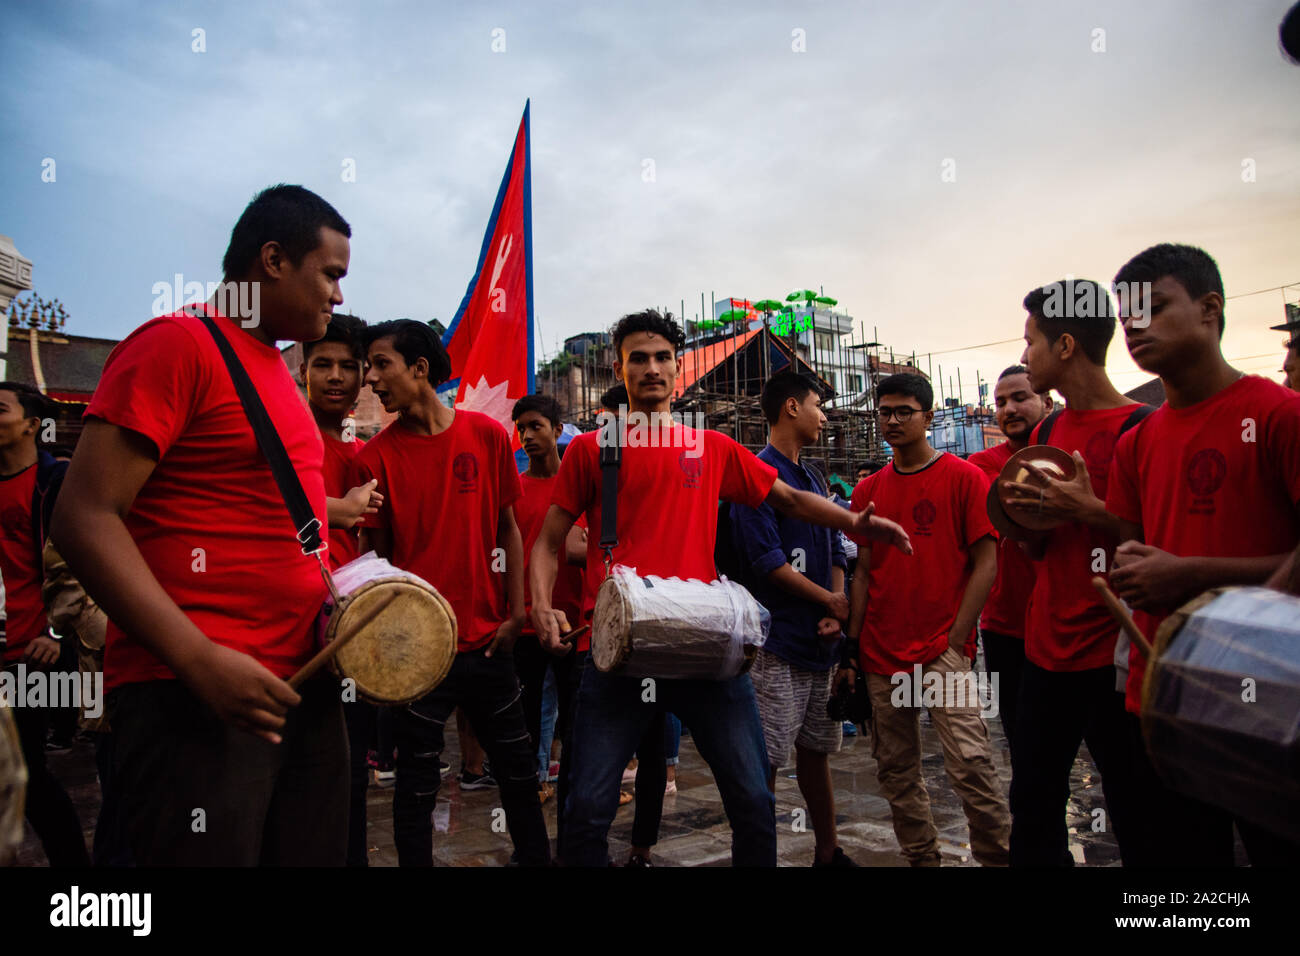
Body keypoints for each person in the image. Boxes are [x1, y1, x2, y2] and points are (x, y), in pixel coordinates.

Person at [529, 309, 911, 867]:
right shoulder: (593, 450)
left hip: (704, 644)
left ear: (679, 368)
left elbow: (786, 498)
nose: (652, 368)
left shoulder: (712, 448)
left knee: (753, 798)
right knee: (587, 806)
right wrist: (540, 605)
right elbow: (547, 541)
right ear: (621, 368)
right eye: (639, 358)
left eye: (663, 357)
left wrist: (851, 523)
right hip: (614, 650)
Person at [53, 184, 353, 865]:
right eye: (330, 273)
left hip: (297, 680)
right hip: (196, 694)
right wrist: (194, 658)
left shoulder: (276, 366)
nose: (338, 296)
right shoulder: (177, 344)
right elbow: (82, 517)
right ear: (273, 260)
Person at [1029, 245, 1300, 864]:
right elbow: (1131, 547)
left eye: (1153, 308)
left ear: (1210, 310)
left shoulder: (1279, 415)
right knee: (1174, 867)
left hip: (1269, 694)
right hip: (1165, 692)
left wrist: (1189, 576)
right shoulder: (1141, 439)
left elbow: (1176, 566)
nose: (1135, 326)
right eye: (1126, 316)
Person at [351, 319, 549, 867]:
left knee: (516, 769)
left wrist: (515, 614)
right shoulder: (376, 458)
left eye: (381, 364)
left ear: (419, 369)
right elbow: (378, 560)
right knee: (415, 782)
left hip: (490, 641)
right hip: (419, 652)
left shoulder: (486, 435)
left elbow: (506, 528)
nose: (370, 379)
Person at [1000, 278, 1145, 867]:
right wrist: (1022, 523)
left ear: (1065, 346)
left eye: (1031, 341)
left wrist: (1091, 513)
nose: (1025, 354)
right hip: (1044, 651)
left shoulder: (1143, 427)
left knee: (1137, 807)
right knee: (1033, 805)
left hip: (1117, 656)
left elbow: (1163, 544)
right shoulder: (1046, 435)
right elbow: (1040, 549)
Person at [843, 372, 1009, 867]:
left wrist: (958, 638)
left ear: (929, 417)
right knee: (896, 770)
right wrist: (851, 650)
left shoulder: (963, 478)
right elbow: (864, 574)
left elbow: (987, 560)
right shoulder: (868, 489)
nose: (892, 421)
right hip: (879, 650)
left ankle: (996, 857)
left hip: (942, 649)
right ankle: (922, 859)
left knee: (972, 766)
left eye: (903, 412)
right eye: (884, 412)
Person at [729, 371, 855, 867]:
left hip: (820, 644)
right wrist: (829, 602)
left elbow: (838, 547)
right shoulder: (758, 474)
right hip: (776, 643)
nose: (825, 415)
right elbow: (768, 562)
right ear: (791, 409)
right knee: (765, 762)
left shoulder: (817, 477)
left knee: (816, 753)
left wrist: (836, 604)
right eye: (818, 404)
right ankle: (759, 857)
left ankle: (828, 851)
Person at [298, 312, 384, 867]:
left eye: (348, 366)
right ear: (301, 370)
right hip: (289, 629)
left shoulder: (368, 453)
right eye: (322, 364)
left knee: (347, 776)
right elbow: (260, 502)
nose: (335, 376)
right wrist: (338, 509)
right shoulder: (287, 435)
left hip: (351, 630)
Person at [0, 382, 89, 867]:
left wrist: (56, 633)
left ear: (32, 424)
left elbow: (82, 564)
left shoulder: (55, 483)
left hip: (33, 650)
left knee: (29, 772)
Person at [966, 365, 1053, 756]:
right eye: (1001, 402)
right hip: (1005, 624)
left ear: (1047, 402)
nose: (1009, 409)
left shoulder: (1070, 458)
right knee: (1023, 745)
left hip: (1068, 620)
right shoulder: (981, 466)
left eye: (1021, 398)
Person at [509, 393, 587, 809]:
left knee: (576, 717)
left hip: (576, 622)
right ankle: (530, 787)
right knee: (526, 714)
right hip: (525, 622)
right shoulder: (512, 491)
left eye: (536, 426)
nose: (527, 436)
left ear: (558, 430)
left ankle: (574, 795)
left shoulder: (580, 488)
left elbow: (586, 549)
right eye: (521, 428)